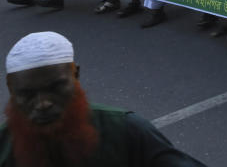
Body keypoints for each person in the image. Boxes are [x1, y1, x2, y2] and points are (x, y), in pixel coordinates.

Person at [1, 31, 206, 166]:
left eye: (55, 87)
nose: (43, 103)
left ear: (76, 75)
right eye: (27, 94)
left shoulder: (125, 130)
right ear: (11, 90)